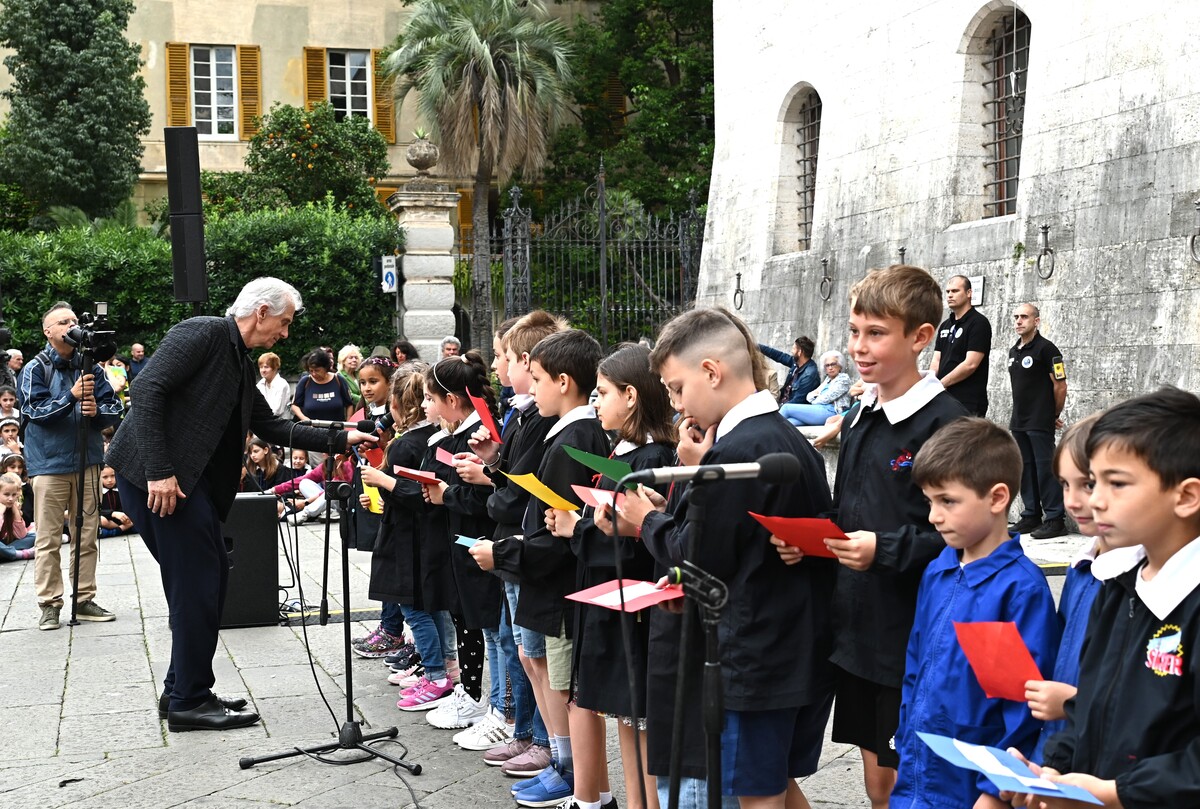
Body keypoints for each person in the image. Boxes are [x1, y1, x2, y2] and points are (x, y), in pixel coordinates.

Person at [105, 277, 377, 732]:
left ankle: (182, 689)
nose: (286, 335)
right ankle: (189, 700)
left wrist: (340, 436)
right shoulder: (204, 332)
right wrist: (159, 471)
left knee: (205, 581)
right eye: (285, 323)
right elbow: (148, 390)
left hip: (185, 485)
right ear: (263, 312)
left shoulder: (240, 361)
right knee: (198, 582)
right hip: (158, 479)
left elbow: (272, 428)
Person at [606, 307, 833, 809]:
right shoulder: (780, 437)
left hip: (751, 654)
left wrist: (645, 520)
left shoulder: (739, 452)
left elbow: (693, 562)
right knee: (772, 784)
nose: (675, 404)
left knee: (756, 794)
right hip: (785, 647)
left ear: (712, 371)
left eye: (677, 388)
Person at [777, 265, 968, 809]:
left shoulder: (946, 426)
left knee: (908, 776)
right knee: (877, 778)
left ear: (921, 337)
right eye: (855, 331)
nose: (859, 347)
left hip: (910, 631)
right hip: (855, 626)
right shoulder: (863, 413)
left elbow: (964, 538)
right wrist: (811, 544)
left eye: (876, 333)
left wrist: (882, 549)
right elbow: (848, 512)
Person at [1004, 387, 1200, 809]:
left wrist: (1114, 794)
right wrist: (1052, 773)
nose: (1093, 500)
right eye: (1094, 482)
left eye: (1116, 483)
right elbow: (1088, 706)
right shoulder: (1117, 585)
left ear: (1186, 496)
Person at [470, 329, 610, 809]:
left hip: (557, 586)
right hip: (545, 579)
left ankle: (570, 771)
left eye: (536, 378)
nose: (527, 386)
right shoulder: (564, 432)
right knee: (550, 674)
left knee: (564, 683)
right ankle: (564, 765)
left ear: (564, 382)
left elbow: (559, 532)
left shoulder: (574, 437)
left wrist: (505, 554)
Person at [889, 417, 1059, 809]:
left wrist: (995, 790)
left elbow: (1023, 704)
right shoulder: (939, 569)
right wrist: (906, 744)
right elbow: (915, 666)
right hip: (917, 772)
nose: (934, 516)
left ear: (997, 498)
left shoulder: (1019, 590)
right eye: (930, 501)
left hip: (969, 787)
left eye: (947, 501)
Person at [546, 343, 676, 809]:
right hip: (608, 603)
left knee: (639, 728)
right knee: (625, 719)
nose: (595, 401)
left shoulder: (653, 457)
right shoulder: (625, 450)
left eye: (602, 393)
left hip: (631, 608)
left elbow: (636, 542)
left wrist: (575, 528)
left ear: (632, 395)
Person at [462, 311, 564, 774]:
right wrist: (493, 465)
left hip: (525, 546)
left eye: (504, 356)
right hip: (513, 544)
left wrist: (489, 481)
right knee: (520, 647)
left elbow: (519, 492)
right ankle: (529, 734)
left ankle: (544, 743)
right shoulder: (526, 415)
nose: (499, 365)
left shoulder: (547, 422)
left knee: (533, 652)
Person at [1025, 414, 1143, 763]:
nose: (1073, 502)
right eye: (1064, 485)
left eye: (1088, 485)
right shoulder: (1080, 569)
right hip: (1062, 751)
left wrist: (1073, 703)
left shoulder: (1142, 583)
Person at [19, 301, 124, 631]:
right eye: (63, 322)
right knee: (49, 539)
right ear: (48, 332)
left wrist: (97, 412)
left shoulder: (90, 365)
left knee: (87, 535)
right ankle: (49, 604)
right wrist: (72, 397)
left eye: (74, 320)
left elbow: (113, 409)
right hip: (48, 466)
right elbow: (34, 413)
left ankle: (84, 598)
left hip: (88, 462)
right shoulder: (35, 368)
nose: (71, 325)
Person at [417, 354, 502, 725]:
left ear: (452, 400)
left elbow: (485, 495)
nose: (426, 406)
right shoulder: (457, 433)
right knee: (464, 615)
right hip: (459, 537)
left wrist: (444, 495)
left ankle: (485, 699)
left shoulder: (479, 433)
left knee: (483, 624)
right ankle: (471, 691)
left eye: (430, 399)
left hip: (478, 539)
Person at [1007, 303, 1068, 540]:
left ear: (1036, 321)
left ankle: (1055, 519)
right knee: (1025, 469)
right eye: (1016, 317)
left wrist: (1052, 414)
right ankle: (1031, 515)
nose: (1019, 321)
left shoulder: (1047, 349)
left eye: (1024, 317)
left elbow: (1060, 385)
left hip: (1039, 420)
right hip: (1019, 421)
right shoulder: (1014, 351)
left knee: (1045, 469)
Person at [929, 275, 992, 416]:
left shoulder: (979, 323)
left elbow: (971, 364)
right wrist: (932, 383)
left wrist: (941, 383)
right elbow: (936, 360)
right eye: (948, 292)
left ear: (969, 293)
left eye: (955, 291)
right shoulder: (945, 325)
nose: (950, 295)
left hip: (968, 401)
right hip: (943, 399)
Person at [779, 350, 853, 426]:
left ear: (840, 365)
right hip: (819, 410)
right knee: (790, 422)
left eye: (833, 364)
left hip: (832, 412)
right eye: (827, 365)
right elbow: (809, 396)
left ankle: (768, 428)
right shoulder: (827, 380)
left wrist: (815, 398)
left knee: (786, 408)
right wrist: (815, 397)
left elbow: (827, 398)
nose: (830, 368)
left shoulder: (843, 379)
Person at [291, 348, 355, 424]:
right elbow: (294, 405)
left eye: (317, 370)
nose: (314, 374)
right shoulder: (305, 381)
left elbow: (349, 404)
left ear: (325, 368)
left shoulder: (339, 380)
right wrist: (304, 419)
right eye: (311, 371)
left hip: (336, 430)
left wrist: (348, 423)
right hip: (310, 430)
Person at [757, 335, 819, 405]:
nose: (791, 351)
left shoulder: (809, 375)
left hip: (790, 409)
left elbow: (797, 401)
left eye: (793, 349)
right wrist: (757, 346)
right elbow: (779, 356)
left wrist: (778, 410)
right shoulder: (797, 363)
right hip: (782, 403)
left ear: (800, 352)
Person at [0, 471, 35, 562]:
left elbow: (21, 535)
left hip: (5, 545)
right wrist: (0, 513)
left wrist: (16, 512)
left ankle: (6, 553)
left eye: (14, 495)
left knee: (33, 536)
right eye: (6, 495)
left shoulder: (11, 508)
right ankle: (18, 554)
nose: (11, 499)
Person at [255, 352, 291, 419]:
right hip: (263, 421)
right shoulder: (259, 384)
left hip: (280, 423)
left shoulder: (281, 384)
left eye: (266, 367)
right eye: (261, 367)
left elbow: (277, 411)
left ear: (275, 368)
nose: (263, 370)